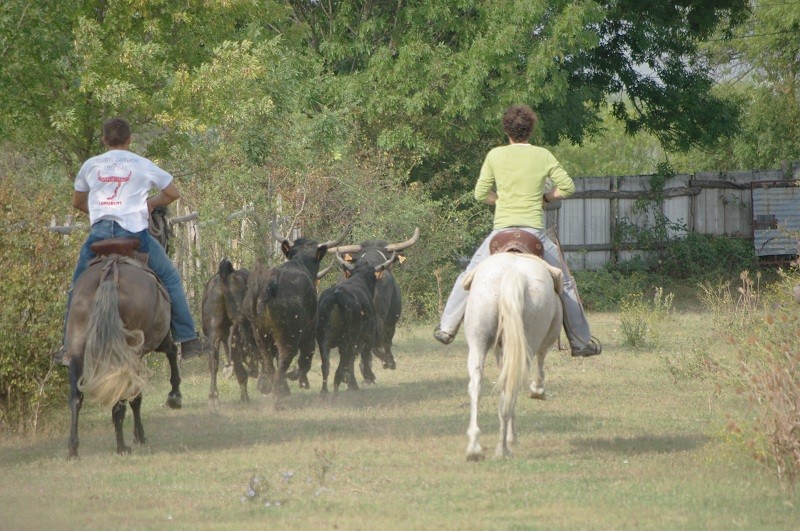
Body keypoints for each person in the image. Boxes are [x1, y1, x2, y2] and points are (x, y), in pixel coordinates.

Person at [434, 104, 602, 357]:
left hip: (500, 233)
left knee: (468, 275)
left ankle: (447, 327)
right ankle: (580, 342)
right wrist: (545, 197)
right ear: (530, 131)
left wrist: (499, 200)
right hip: (534, 233)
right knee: (566, 283)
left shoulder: (495, 155)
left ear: (507, 131)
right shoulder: (543, 155)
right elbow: (567, 187)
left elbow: (480, 194)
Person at [52, 117, 210, 364]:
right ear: (129, 139)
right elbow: (173, 193)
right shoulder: (142, 164)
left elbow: (77, 202)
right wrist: (150, 204)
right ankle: (187, 339)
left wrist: (99, 214)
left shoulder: (90, 165)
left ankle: (67, 347)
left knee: (76, 286)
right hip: (134, 236)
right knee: (170, 277)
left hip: (99, 236)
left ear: (104, 139)